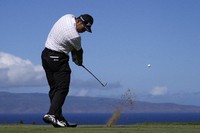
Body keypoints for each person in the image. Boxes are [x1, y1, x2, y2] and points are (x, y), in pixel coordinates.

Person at [41, 14, 94, 128]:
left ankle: (58, 118)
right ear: (79, 22)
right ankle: (51, 114)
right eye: (84, 28)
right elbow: (78, 53)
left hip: (45, 55)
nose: (84, 31)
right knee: (62, 88)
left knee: (54, 89)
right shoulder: (75, 36)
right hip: (57, 59)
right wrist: (79, 62)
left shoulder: (67, 16)